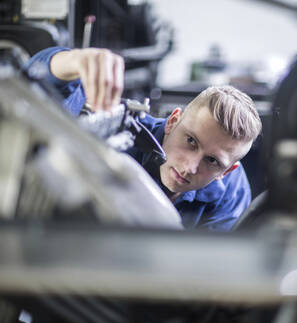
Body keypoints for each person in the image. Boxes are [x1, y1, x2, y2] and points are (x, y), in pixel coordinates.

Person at [24, 47, 262, 232]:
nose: (190, 167)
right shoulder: (118, 132)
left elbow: (204, 272)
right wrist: (72, 61)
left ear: (227, 171)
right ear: (172, 122)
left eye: (212, 161)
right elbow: (32, 92)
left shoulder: (232, 191)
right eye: (191, 141)